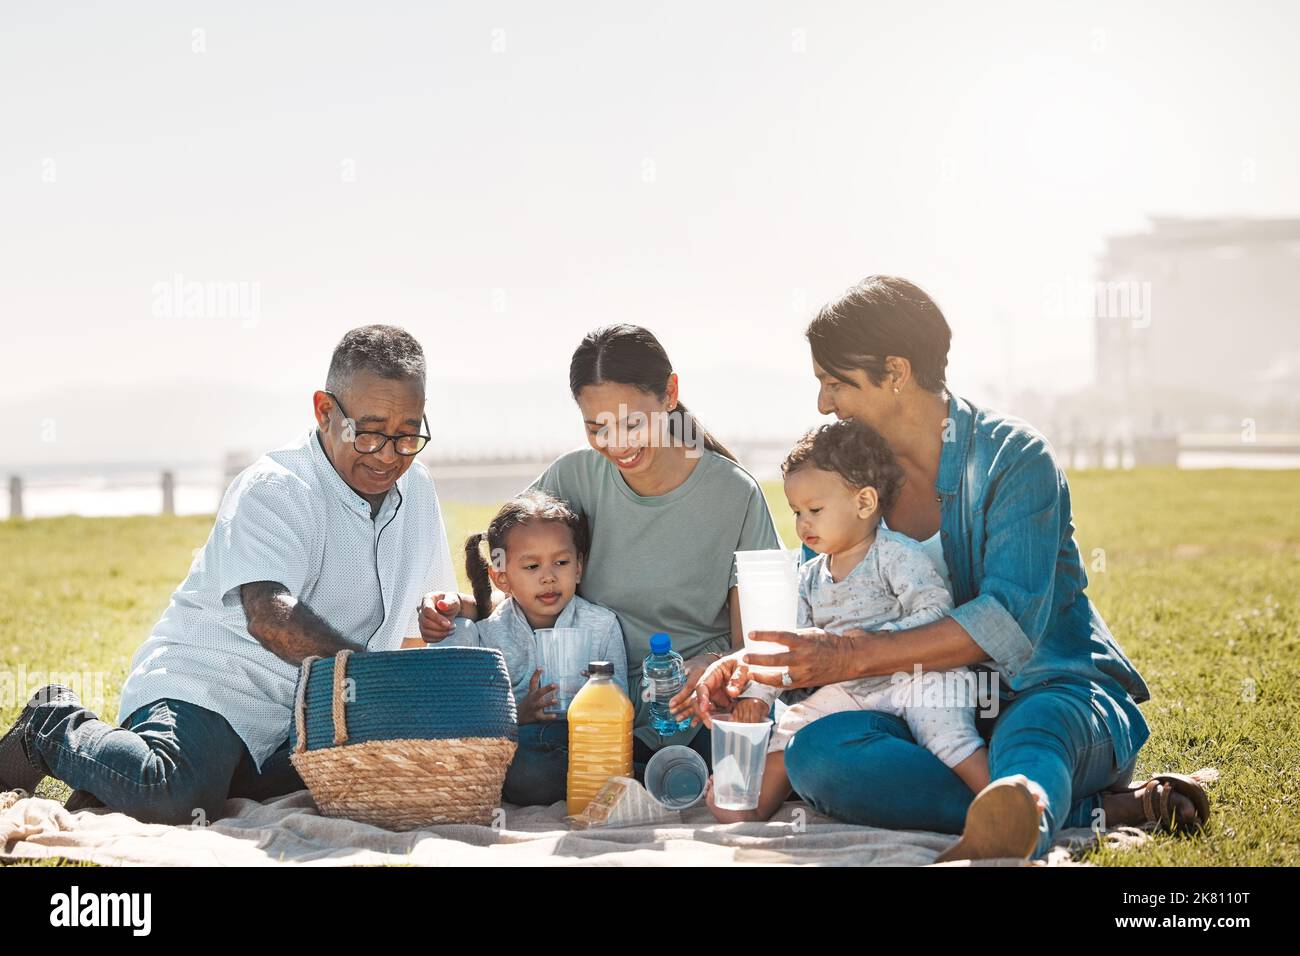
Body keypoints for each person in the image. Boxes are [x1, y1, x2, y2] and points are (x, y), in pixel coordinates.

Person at [686, 276, 1211, 861]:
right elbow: (826, 618)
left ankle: (1026, 807)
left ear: (896, 373)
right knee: (818, 752)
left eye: (836, 383)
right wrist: (752, 667)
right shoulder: (843, 472)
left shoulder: (1013, 457)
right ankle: (1081, 811)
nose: (824, 404)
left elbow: (1007, 620)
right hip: (907, 709)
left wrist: (851, 655)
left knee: (1034, 730)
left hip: (1045, 691)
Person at [0, 325, 457, 824]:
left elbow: (420, 628)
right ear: (326, 412)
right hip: (212, 685)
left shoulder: (418, 490)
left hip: (310, 711)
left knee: (374, 785)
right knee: (176, 796)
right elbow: (269, 616)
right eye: (369, 433)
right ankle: (51, 725)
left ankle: (118, 781)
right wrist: (371, 679)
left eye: (408, 434)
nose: (390, 455)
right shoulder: (276, 486)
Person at [425, 324, 782, 781]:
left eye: (632, 424)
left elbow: (754, 642)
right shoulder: (572, 478)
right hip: (585, 706)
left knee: (753, 755)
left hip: (693, 708)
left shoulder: (735, 494)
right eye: (597, 428)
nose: (617, 444)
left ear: (670, 393)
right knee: (527, 769)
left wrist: (711, 665)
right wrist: (461, 608)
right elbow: (521, 575)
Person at [707, 419, 988, 823]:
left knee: (946, 733)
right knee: (793, 726)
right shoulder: (808, 577)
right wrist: (756, 696)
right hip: (851, 688)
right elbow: (787, 650)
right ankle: (750, 803)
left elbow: (936, 612)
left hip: (915, 674)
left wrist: (875, 642)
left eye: (815, 510)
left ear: (864, 503)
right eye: (797, 512)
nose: (803, 524)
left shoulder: (894, 554)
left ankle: (1003, 799)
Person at [425, 490, 627, 805]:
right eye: (532, 567)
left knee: (624, 756)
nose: (548, 577)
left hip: (587, 744)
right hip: (523, 747)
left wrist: (596, 696)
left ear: (578, 567)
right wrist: (520, 714)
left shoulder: (602, 625)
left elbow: (621, 708)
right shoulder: (489, 635)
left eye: (561, 562)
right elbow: (477, 721)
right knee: (524, 770)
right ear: (502, 578)